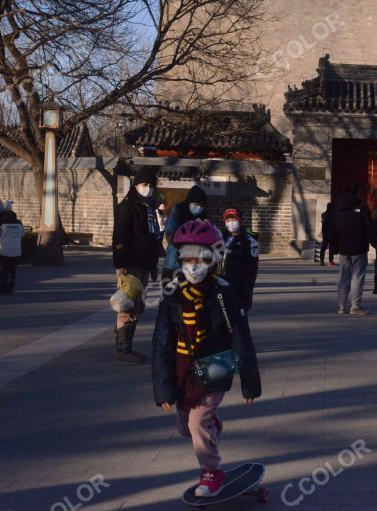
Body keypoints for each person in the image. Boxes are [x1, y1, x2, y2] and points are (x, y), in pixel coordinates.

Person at [152, 219, 261, 498]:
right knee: (185, 427)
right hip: (183, 371)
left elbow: (240, 336)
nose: (193, 265)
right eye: (187, 258)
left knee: (197, 422)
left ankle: (212, 472)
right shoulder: (172, 294)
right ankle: (209, 423)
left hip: (214, 369)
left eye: (200, 258)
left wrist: (249, 382)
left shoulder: (223, 292)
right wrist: (162, 388)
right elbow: (162, 342)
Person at [112, 166, 162, 365]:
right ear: (136, 185)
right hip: (130, 264)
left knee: (138, 306)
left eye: (151, 185)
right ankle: (123, 348)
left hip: (143, 264)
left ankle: (122, 335)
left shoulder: (148, 208)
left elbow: (152, 239)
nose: (148, 188)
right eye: (144, 184)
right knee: (129, 305)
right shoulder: (127, 207)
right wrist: (120, 265)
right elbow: (120, 237)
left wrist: (153, 266)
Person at [329, 181, 373, 316]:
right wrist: (375, 242)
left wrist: (333, 246)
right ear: (357, 191)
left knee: (343, 276)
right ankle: (355, 306)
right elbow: (368, 226)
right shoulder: (361, 206)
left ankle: (341, 306)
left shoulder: (337, 206)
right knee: (357, 277)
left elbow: (331, 227)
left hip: (343, 246)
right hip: (359, 246)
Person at [162, 186, 208, 281]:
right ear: (189, 202)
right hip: (174, 261)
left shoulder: (203, 216)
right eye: (196, 204)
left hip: (194, 262)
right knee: (171, 289)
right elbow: (170, 233)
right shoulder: (179, 211)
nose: (199, 207)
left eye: (201, 205)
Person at [219, 208, 259, 312]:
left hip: (238, 287)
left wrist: (246, 292)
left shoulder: (249, 240)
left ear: (240, 220)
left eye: (233, 218)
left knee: (238, 323)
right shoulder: (221, 237)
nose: (230, 222)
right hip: (221, 285)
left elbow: (251, 270)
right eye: (227, 220)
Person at [0, 200, 24, 294]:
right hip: (16, 250)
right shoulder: (18, 222)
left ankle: (3, 288)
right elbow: (22, 234)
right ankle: (10, 287)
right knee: (12, 269)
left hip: (4, 250)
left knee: (4, 269)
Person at [319, 202, 336, 266]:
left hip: (325, 234)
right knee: (331, 248)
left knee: (323, 247)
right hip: (331, 233)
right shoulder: (333, 215)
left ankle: (321, 261)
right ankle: (330, 261)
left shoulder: (323, 214)